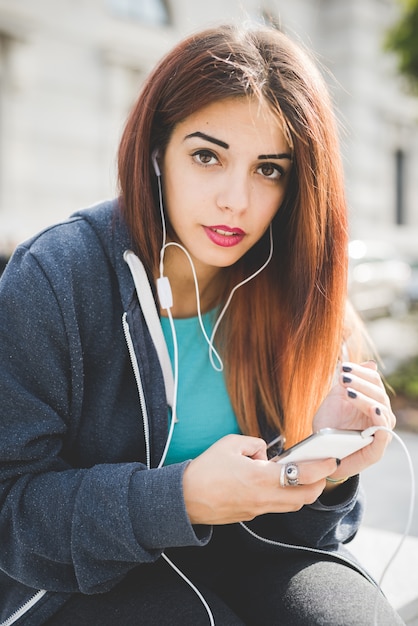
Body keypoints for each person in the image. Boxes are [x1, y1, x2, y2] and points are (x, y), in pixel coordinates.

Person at [0, 23, 404, 626]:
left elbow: (315, 535)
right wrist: (178, 498)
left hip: (257, 553)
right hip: (81, 581)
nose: (235, 201)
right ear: (157, 151)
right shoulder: (58, 277)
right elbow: (13, 512)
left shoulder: (293, 284)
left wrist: (325, 472)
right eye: (207, 156)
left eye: (269, 169)